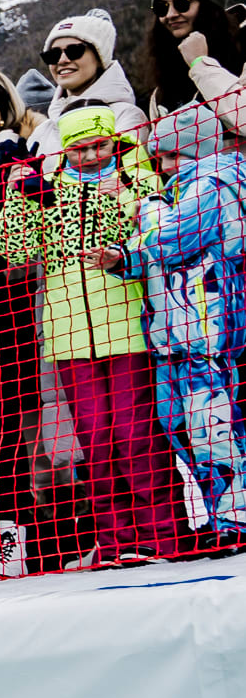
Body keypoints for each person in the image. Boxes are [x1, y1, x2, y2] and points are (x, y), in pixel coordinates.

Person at [0, 108, 179, 567]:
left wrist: (113, 195)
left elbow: (153, 232)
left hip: (130, 328)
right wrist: (18, 196)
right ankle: (115, 541)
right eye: (80, 149)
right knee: (95, 443)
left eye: (101, 145)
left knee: (137, 438)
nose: (93, 155)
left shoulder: (136, 179)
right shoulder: (46, 187)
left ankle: (162, 535)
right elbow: (14, 250)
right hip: (70, 336)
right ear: (65, 149)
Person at [99, 101, 246, 542]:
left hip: (207, 332)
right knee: (179, 427)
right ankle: (218, 516)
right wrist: (123, 258)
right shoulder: (176, 192)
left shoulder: (214, 181)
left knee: (213, 427)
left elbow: (170, 240)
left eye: (170, 155)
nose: (163, 166)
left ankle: (234, 519)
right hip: (172, 335)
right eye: (160, 157)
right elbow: (153, 249)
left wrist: (141, 211)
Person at [28, 13, 144, 155]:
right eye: (52, 55)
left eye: (74, 51)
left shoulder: (126, 116)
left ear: (100, 57)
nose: (62, 60)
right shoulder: (42, 132)